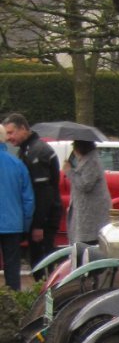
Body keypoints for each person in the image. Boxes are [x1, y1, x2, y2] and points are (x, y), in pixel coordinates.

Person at [2, 113, 61, 266]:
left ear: (23, 129)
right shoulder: (27, 149)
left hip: (44, 218)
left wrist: (38, 225)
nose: (8, 138)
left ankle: (46, 290)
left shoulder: (36, 152)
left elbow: (44, 192)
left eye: (10, 132)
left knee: (41, 264)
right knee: (37, 262)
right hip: (41, 217)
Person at [0, 148, 35, 290]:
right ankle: (13, 302)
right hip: (13, 224)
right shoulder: (17, 164)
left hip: (12, 223)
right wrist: (25, 225)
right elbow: (28, 199)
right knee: (12, 267)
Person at [66, 139, 111, 244]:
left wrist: (69, 171)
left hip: (92, 216)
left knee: (88, 244)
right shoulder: (86, 160)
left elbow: (85, 185)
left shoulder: (92, 161)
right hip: (87, 213)